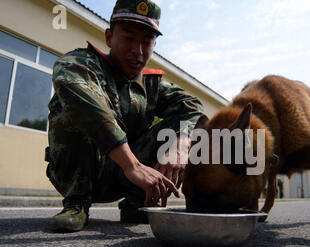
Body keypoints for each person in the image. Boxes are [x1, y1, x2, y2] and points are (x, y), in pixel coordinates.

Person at [45, 0, 205, 232]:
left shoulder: (151, 85)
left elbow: (193, 107)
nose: (138, 51)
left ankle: (137, 203)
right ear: (109, 37)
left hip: (125, 178)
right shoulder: (80, 64)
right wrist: (132, 166)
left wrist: (181, 143)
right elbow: (75, 88)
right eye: (129, 38)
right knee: (79, 106)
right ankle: (76, 202)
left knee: (178, 126)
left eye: (147, 41)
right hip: (79, 171)